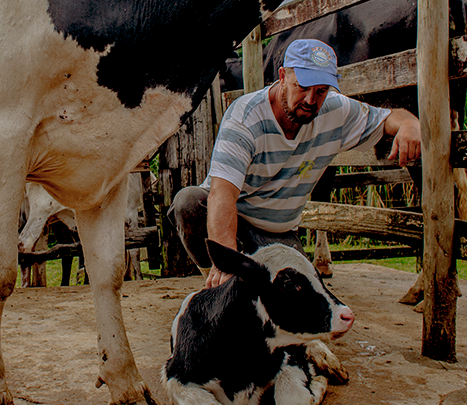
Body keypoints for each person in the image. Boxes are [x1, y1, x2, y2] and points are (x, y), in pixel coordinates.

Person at [168, 38, 422, 289]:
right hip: (234, 213)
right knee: (188, 202)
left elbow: (388, 117)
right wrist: (226, 263)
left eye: (321, 90)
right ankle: (217, 285)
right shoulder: (245, 117)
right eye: (302, 87)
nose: (311, 100)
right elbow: (222, 194)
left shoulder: (336, 111)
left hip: (277, 232)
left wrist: (410, 124)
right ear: (282, 76)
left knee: (296, 299)